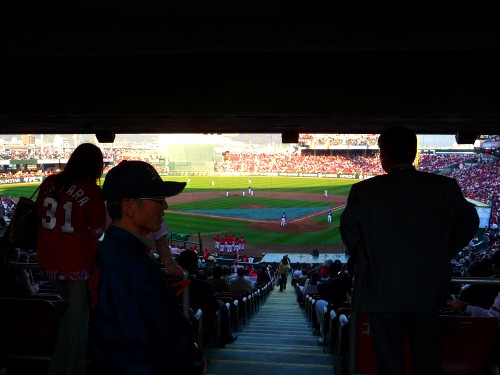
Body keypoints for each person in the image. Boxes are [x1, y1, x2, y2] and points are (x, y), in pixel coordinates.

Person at [340, 126, 479, 375]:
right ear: (413, 153)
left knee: (388, 363)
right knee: (427, 360)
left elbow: (350, 233)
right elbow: (469, 223)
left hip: (379, 291)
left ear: (383, 154)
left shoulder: (364, 190)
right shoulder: (444, 187)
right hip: (427, 291)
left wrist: (369, 259)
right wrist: (442, 252)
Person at [88, 160, 204, 374]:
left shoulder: (110, 252)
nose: (165, 206)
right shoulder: (135, 269)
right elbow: (154, 342)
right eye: (158, 199)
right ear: (129, 206)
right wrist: (195, 364)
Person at [35, 143, 107, 375]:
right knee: (78, 323)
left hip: (48, 263)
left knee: (73, 316)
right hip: (76, 266)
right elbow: (98, 230)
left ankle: (58, 369)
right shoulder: (91, 190)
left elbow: (38, 217)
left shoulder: (50, 183)